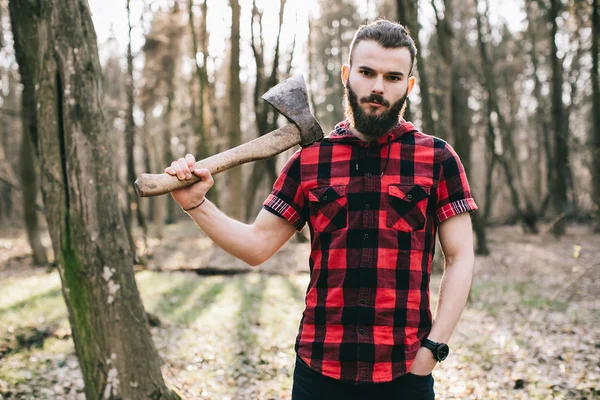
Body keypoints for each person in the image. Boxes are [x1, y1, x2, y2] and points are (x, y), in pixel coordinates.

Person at [165, 19, 478, 400]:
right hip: (320, 371)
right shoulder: (310, 161)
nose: (378, 87)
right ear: (347, 75)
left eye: (393, 77)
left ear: (408, 86)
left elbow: (461, 258)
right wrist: (196, 203)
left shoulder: (438, 158)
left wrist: (434, 349)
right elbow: (255, 246)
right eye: (367, 72)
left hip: (405, 372)